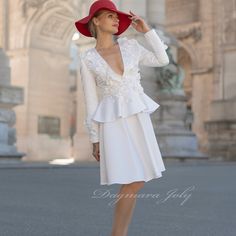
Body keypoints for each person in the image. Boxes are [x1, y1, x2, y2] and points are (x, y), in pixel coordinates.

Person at [75, 1, 169, 235]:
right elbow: (91, 101)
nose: (117, 19)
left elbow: (162, 60)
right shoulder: (88, 59)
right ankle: (118, 233)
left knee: (138, 179)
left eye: (117, 16)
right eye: (109, 15)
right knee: (132, 179)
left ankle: (118, 234)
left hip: (137, 117)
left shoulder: (130, 47)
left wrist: (147, 32)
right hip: (112, 122)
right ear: (95, 21)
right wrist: (95, 138)